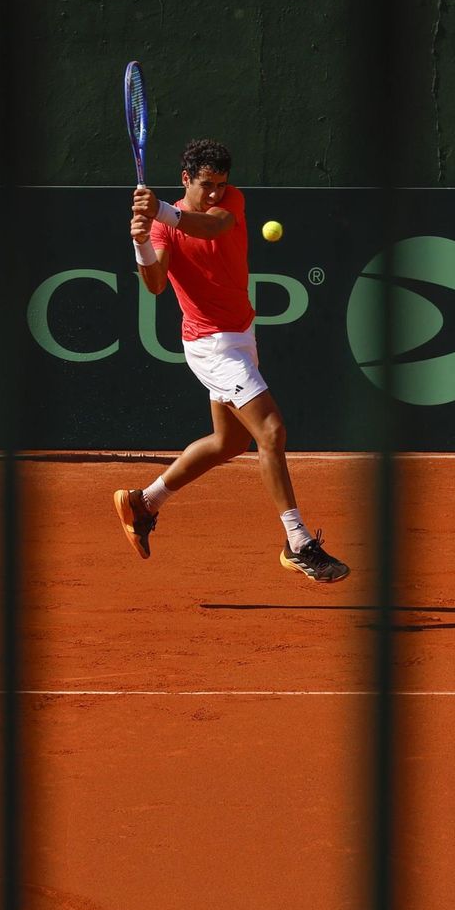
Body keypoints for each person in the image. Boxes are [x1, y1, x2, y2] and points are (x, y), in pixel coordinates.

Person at [111, 139, 350, 583]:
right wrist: (142, 242)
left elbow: (214, 226)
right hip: (211, 345)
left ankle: (144, 502)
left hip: (241, 335)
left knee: (229, 443)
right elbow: (156, 284)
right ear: (187, 179)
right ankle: (297, 541)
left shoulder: (224, 204)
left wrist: (161, 210)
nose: (216, 193)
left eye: (221, 184)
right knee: (272, 431)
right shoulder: (165, 226)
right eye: (206, 185)